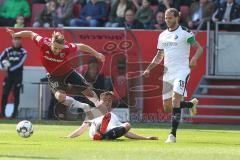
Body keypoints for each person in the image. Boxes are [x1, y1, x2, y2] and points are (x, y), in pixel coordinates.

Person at [6, 28, 105, 118]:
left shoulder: (66, 47)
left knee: (88, 92)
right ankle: (84, 106)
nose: (57, 51)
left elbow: (82, 46)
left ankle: (100, 111)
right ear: (51, 43)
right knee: (60, 97)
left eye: (59, 49)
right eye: (55, 48)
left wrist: (97, 54)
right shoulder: (43, 42)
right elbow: (30, 33)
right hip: (54, 76)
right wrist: (15, 35)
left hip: (68, 72)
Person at [143, 8, 203, 143]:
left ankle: (172, 135)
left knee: (176, 100)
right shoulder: (162, 35)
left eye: (170, 18)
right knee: (167, 106)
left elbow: (199, 48)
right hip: (167, 73)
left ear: (177, 18)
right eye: (166, 18)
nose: (167, 20)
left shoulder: (185, 32)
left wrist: (194, 59)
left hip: (182, 71)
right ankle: (190, 105)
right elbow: (159, 55)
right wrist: (149, 69)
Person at [66, 91, 158, 140]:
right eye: (105, 99)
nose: (107, 102)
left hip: (109, 133)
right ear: (100, 101)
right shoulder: (94, 112)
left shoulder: (114, 116)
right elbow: (83, 128)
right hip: (95, 130)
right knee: (100, 124)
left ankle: (104, 135)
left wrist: (145, 138)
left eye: (109, 100)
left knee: (127, 125)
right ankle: (101, 131)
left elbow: (125, 133)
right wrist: (69, 136)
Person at [0, 37, 27, 118]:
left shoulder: (23, 51)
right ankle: (2, 114)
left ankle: (14, 115)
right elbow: (0, 59)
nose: (16, 41)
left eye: (18, 40)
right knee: (5, 94)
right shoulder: (8, 50)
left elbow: (20, 63)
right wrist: (2, 67)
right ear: (12, 40)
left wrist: (9, 68)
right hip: (8, 75)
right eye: (15, 40)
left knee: (16, 94)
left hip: (18, 75)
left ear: (20, 41)